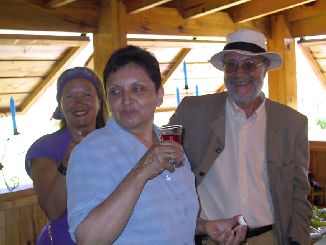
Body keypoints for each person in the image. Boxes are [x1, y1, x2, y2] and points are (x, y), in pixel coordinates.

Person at [66, 45, 247, 245]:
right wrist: (142, 172)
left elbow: (164, 220)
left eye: (137, 88)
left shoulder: (170, 143)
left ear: (159, 95)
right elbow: (88, 239)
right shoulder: (91, 151)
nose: (126, 99)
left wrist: (204, 227)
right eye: (115, 91)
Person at [169, 29, 312, 245]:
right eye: (231, 64)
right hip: (211, 239)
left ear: (265, 69)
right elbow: (163, 163)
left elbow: (299, 193)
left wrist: (298, 241)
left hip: (269, 239)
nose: (239, 73)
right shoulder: (192, 112)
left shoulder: (292, 124)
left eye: (249, 65)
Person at [25, 67, 109, 244]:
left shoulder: (114, 141)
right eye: (69, 96)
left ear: (100, 102)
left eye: (87, 95)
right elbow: (52, 210)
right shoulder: (44, 147)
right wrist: (69, 163)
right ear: (60, 106)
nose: (79, 102)